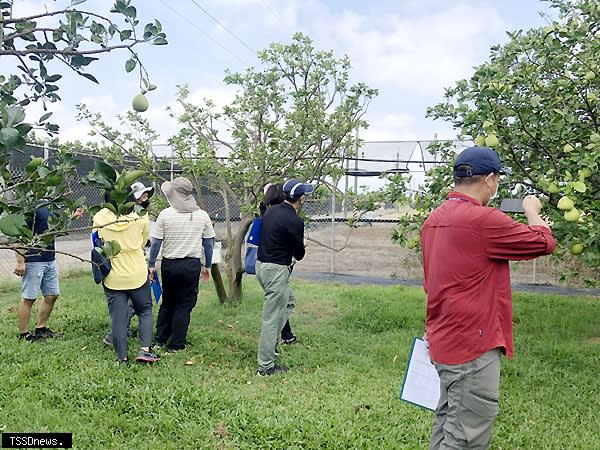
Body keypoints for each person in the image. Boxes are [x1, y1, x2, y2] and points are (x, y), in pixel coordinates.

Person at [420, 146, 556, 449]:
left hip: (443, 339)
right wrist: (532, 209)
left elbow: (430, 282)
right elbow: (544, 241)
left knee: (447, 424)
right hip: (473, 345)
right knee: (465, 437)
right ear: (491, 180)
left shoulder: (433, 220)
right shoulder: (483, 220)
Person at [93, 184, 159, 365]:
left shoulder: (100, 217)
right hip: (137, 272)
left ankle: (122, 358)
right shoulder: (141, 216)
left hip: (113, 275)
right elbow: (144, 240)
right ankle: (145, 350)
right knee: (145, 310)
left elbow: (95, 242)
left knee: (118, 318)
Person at [148, 177, 216, 353]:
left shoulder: (165, 214)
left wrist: (151, 263)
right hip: (192, 265)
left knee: (168, 302)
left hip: (170, 265)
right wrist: (207, 266)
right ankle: (176, 344)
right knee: (184, 304)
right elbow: (209, 243)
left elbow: (155, 243)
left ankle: (159, 339)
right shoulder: (202, 216)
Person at [255, 178, 313, 376]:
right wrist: (302, 244)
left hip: (261, 267)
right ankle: (265, 366)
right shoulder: (295, 221)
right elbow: (299, 255)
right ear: (301, 199)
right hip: (276, 271)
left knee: (288, 302)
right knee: (271, 319)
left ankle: (270, 344)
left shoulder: (270, 211)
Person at [15, 206, 84, 342]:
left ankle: (41, 329)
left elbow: (54, 229)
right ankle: (24, 334)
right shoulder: (29, 206)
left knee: (52, 295)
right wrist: (20, 261)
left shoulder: (49, 205)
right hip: (33, 260)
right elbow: (19, 235)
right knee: (29, 298)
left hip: (49, 259)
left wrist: (72, 216)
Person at [260, 183, 298, 346]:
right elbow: (297, 252)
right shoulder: (285, 217)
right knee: (274, 313)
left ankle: (280, 337)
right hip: (275, 267)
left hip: (265, 265)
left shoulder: (266, 213)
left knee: (287, 301)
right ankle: (266, 364)